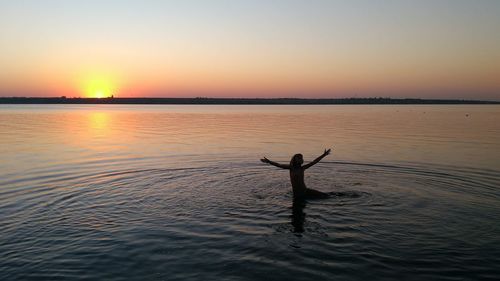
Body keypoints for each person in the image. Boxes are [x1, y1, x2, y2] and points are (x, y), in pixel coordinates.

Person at [261, 149, 332, 200]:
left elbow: (314, 162)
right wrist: (269, 161)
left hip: (305, 191)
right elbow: (278, 165)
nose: (300, 159)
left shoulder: (303, 168)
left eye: (301, 158)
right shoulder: (291, 168)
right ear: (294, 159)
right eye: (298, 158)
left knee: (326, 196)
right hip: (297, 194)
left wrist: (324, 155)